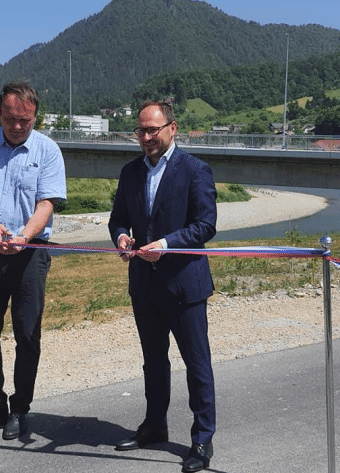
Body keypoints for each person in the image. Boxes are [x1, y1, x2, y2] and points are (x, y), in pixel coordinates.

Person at [108, 101, 218, 472]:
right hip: (144, 285)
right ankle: (154, 426)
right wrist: (122, 238)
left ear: (172, 128)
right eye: (141, 130)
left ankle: (202, 439)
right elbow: (118, 219)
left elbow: (205, 225)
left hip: (185, 285)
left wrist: (167, 244)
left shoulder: (195, 170)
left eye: (153, 129)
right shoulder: (130, 172)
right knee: (153, 363)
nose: (146, 137)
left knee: (196, 365)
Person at [0, 82, 66, 440]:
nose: (17, 126)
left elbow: (47, 203)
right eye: (9, 119)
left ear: (35, 117)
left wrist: (24, 236)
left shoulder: (48, 150)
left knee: (27, 332)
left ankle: (20, 408)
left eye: (25, 120)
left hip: (30, 253)